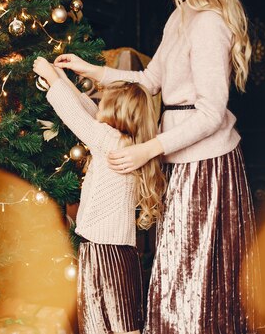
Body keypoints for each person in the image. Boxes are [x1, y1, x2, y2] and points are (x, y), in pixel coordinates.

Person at [54, 0, 262, 333]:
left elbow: (211, 112)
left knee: (193, 278)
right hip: (179, 157)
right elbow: (149, 83)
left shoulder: (208, 25)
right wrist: (91, 69)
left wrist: (148, 149)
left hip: (207, 165)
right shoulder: (180, 18)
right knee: (177, 272)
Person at [33, 58, 166, 334]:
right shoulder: (123, 141)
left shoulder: (109, 141)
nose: (98, 103)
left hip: (103, 250)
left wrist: (50, 76)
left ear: (116, 110)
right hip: (120, 251)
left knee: (104, 323)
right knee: (124, 321)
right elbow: (86, 108)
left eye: (103, 100)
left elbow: (75, 115)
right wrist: (62, 78)